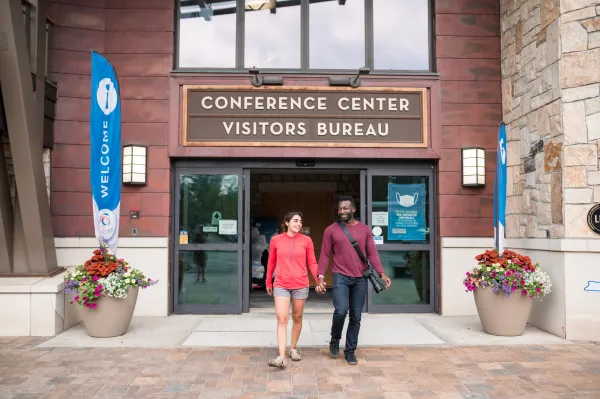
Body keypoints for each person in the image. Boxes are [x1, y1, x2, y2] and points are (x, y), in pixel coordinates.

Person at [316, 195, 392, 365]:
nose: (342, 211)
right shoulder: (331, 230)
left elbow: (372, 252)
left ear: (353, 210)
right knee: (341, 311)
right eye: (340, 209)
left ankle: (350, 351)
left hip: (359, 279)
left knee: (356, 316)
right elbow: (325, 255)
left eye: (345, 208)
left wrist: (381, 273)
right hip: (340, 277)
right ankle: (335, 339)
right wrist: (320, 276)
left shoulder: (364, 229)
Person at [265, 211, 320, 368]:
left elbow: (312, 263)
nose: (299, 224)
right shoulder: (276, 240)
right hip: (281, 284)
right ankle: (281, 356)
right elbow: (271, 262)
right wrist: (268, 281)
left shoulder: (306, 240)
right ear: (286, 223)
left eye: (300, 221)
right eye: (295, 221)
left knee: (297, 317)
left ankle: (293, 348)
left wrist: (318, 280)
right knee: (282, 319)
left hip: (301, 284)